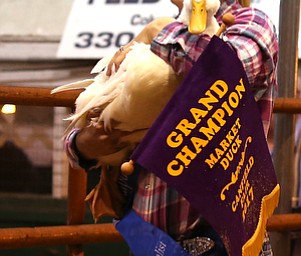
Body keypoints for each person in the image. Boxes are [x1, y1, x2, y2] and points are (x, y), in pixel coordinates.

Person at [64, 0, 278, 255]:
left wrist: (157, 31)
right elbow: (87, 124)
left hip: (220, 239)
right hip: (150, 242)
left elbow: (223, 71)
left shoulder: (251, 23)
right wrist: (82, 144)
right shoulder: (157, 42)